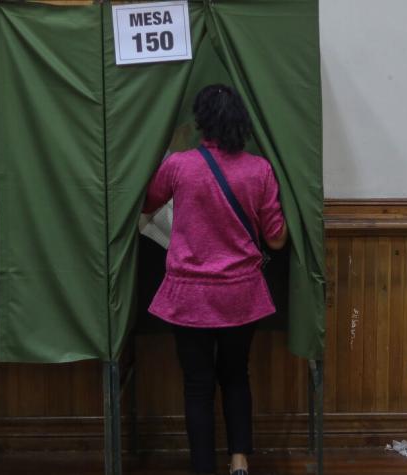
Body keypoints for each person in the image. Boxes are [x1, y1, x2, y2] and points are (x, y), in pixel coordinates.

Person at [143, 84, 288, 475]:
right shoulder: (260, 170)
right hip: (242, 294)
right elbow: (275, 237)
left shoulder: (179, 166)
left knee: (197, 385)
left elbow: (146, 203)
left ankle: (203, 467)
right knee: (236, 375)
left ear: (201, 122)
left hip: (189, 296)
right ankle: (239, 458)